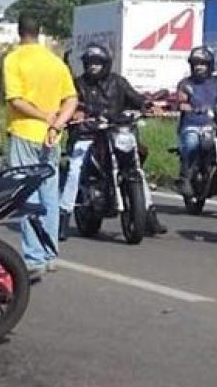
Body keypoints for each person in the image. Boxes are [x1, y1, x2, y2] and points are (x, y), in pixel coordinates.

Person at [59, 43, 166, 240]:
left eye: (98, 63)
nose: (93, 66)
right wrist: (76, 112)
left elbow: (135, 97)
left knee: (136, 170)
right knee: (75, 169)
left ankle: (149, 215)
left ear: (105, 64)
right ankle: (63, 217)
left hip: (116, 132)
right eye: (90, 63)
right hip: (87, 135)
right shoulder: (79, 84)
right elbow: (69, 102)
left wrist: (148, 106)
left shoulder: (118, 82)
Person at [3, 14, 78, 277]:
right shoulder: (55, 62)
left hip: (25, 133)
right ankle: (49, 253)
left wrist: (44, 117)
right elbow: (71, 99)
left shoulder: (14, 59)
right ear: (40, 31)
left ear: (19, 32)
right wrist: (57, 123)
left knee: (26, 195)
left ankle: (34, 257)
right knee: (50, 194)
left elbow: (15, 100)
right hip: (51, 137)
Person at [176, 46, 217, 197]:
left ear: (210, 65)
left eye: (203, 63)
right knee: (192, 144)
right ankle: (185, 177)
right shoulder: (186, 84)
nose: (199, 67)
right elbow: (182, 100)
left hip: (214, 126)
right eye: (196, 64)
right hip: (192, 125)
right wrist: (187, 107)